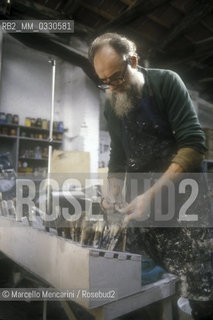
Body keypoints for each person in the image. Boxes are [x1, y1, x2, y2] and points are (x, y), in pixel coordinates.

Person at [88, 33, 213, 319]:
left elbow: (194, 144)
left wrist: (151, 195)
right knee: (137, 285)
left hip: (185, 203)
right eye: (104, 80)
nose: (112, 86)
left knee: (199, 289)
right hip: (143, 205)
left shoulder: (165, 82)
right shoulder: (112, 102)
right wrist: (113, 192)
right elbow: (118, 157)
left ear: (132, 60)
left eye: (117, 77)